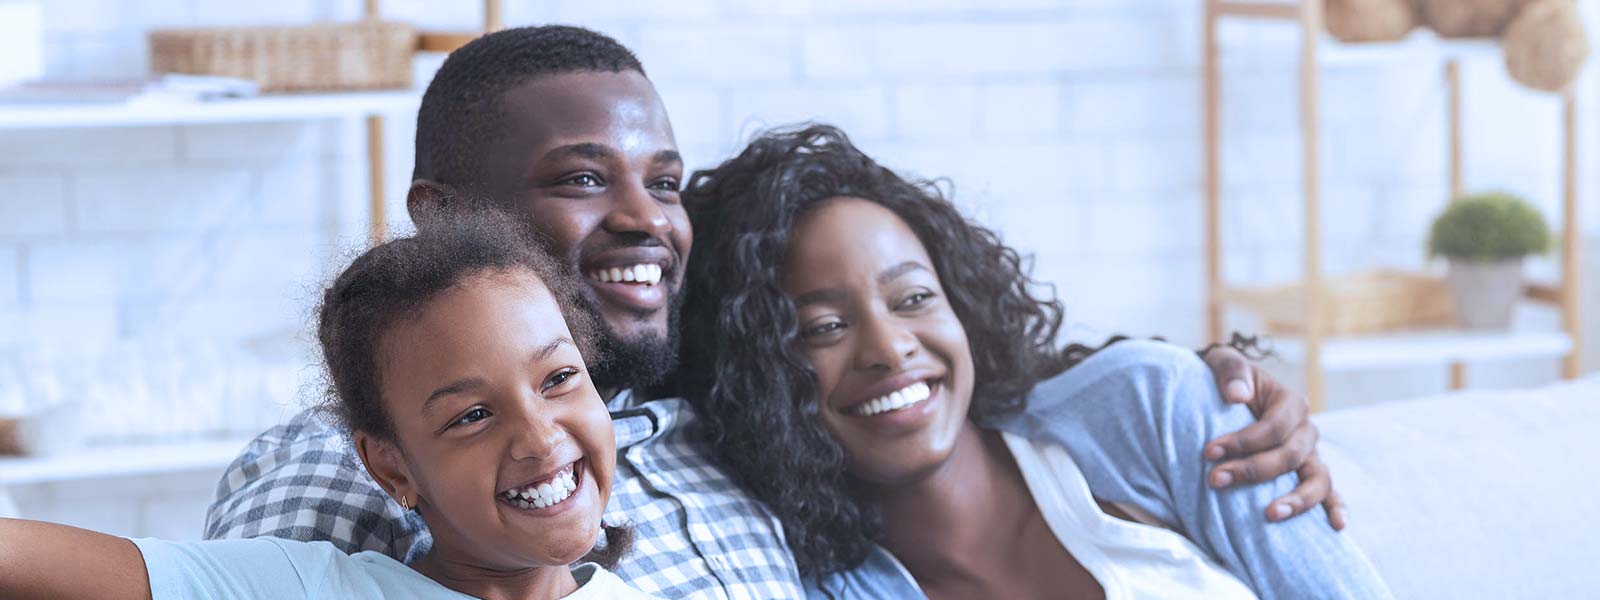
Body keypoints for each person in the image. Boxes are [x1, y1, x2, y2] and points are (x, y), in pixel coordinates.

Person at [205, 25, 1343, 599]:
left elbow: (939, 387)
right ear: (442, 218)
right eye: (583, 177)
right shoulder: (347, 466)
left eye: (662, 177)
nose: (646, 217)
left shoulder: (727, 423)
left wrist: (1216, 375)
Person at [676, 124, 1392, 599]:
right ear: (755, 373)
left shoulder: (1149, 409)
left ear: (960, 302)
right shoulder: (830, 589)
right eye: (824, 327)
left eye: (914, 297)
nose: (890, 347)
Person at [0, 212, 652, 599]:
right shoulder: (312, 587)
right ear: (393, 468)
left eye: (559, 377)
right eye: (471, 416)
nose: (538, 438)